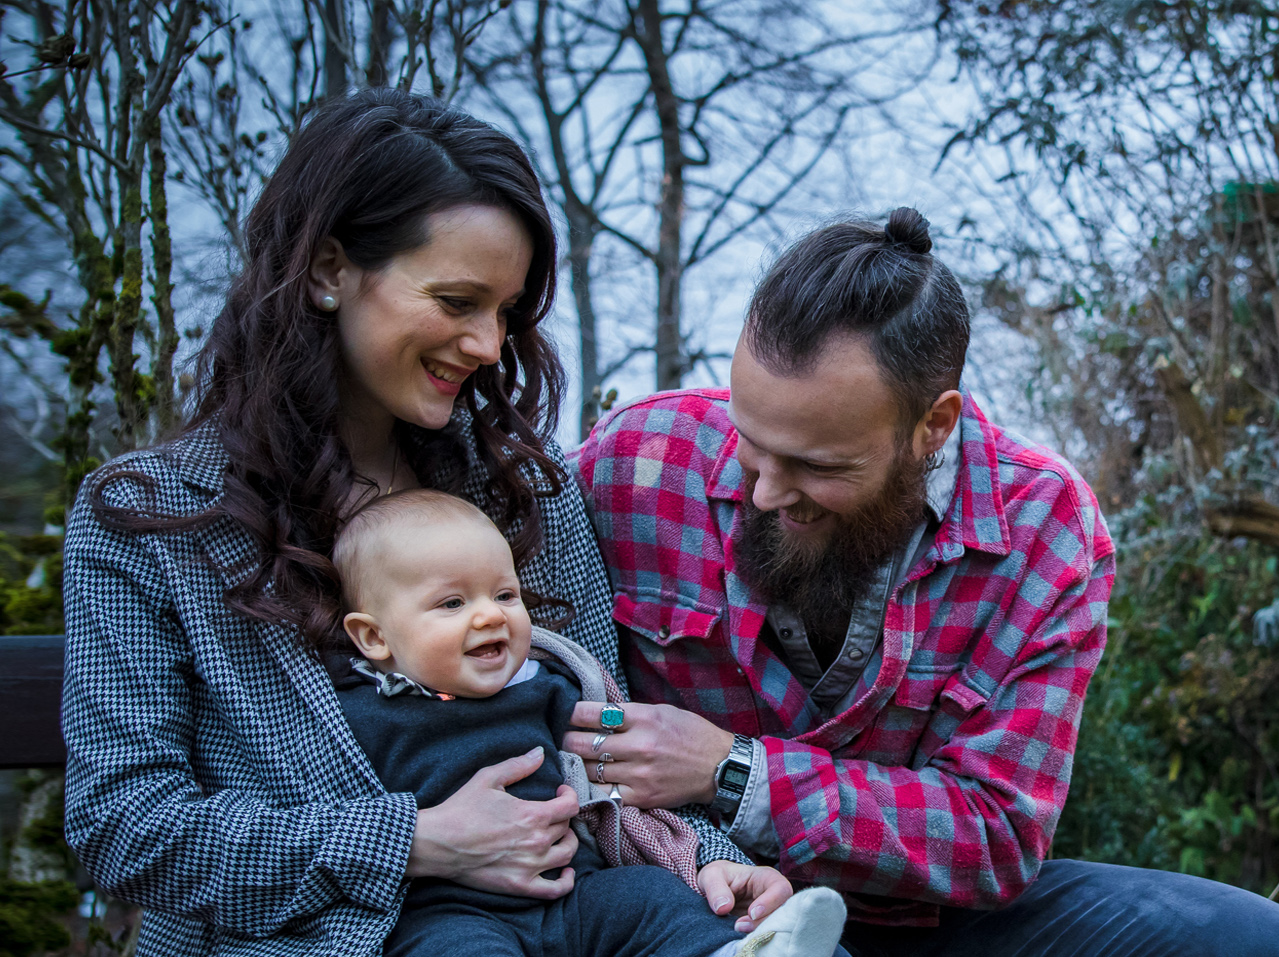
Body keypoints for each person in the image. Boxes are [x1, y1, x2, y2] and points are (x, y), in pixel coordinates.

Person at [58, 89, 793, 956]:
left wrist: (707, 861)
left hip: (576, 921)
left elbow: (599, 746)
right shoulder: (154, 521)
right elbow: (125, 825)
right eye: (456, 300)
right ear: (331, 270)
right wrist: (415, 841)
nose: (488, 343)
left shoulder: (527, 495)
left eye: (507, 311)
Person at [569, 208, 1279, 955]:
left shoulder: (1044, 525)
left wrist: (735, 773)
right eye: (750, 440)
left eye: (817, 464)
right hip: (701, 899)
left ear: (932, 427)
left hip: (932, 922)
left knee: (1270, 943)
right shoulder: (635, 459)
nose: (765, 489)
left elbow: (998, 834)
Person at [326, 489, 844, 957]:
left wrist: (700, 860)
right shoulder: (355, 716)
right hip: (450, 910)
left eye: (505, 595)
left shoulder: (549, 689)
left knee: (651, 897)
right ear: (375, 638)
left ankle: (736, 954)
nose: (490, 616)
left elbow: (619, 794)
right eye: (453, 603)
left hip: (578, 889)